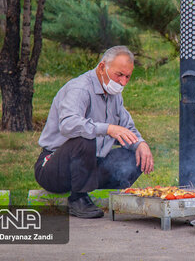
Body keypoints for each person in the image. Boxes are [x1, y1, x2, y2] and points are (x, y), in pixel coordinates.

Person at [35, 46, 154, 218]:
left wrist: (141, 144)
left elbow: (127, 128)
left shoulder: (115, 95)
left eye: (127, 76)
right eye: (119, 75)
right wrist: (107, 128)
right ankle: (78, 200)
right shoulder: (80, 88)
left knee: (135, 155)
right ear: (101, 67)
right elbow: (68, 125)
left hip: (88, 166)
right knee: (85, 138)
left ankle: (103, 192)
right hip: (54, 168)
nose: (123, 82)